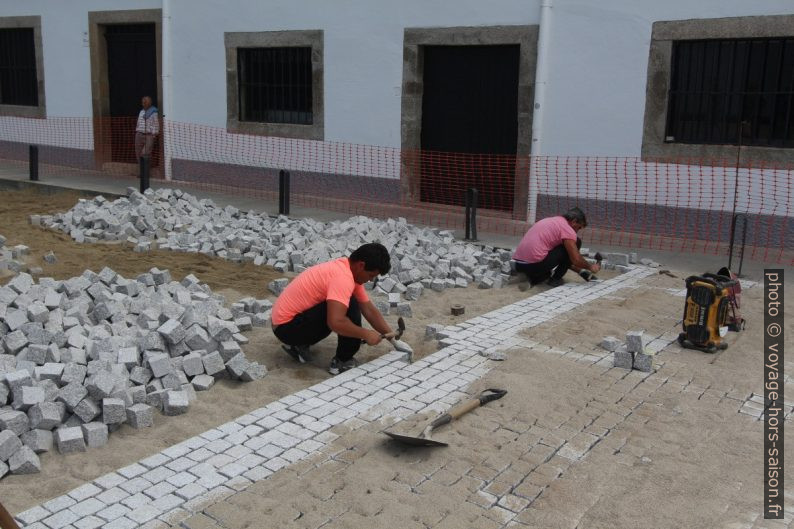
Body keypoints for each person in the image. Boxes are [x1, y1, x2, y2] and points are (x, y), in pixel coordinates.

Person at [271, 242, 394, 375]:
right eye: (371, 276)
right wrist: (366, 334)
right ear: (361, 265)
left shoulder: (347, 269)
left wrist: (393, 338)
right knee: (347, 304)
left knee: (344, 303)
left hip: (283, 324)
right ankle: (342, 361)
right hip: (287, 329)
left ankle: (298, 346)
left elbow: (368, 309)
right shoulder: (342, 278)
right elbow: (336, 322)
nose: (370, 280)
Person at [512, 207, 600, 288]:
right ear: (574, 221)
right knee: (577, 241)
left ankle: (533, 277)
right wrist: (590, 267)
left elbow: (565, 260)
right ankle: (555, 280)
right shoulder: (567, 229)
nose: (577, 231)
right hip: (534, 266)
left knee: (546, 274)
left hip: (519, 266)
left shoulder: (552, 221)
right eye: (579, 227)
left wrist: (581, 271)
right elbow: (575, 259)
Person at [134, 95, 159, 160]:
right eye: (143, 102)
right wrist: (137, 131)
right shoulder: (141, 112)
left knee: (145, 153)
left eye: (146, 102)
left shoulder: (154, 112)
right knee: (138, 153)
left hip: (149, 135)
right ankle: (141, 168)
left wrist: (154, 135)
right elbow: (138, 122)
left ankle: (146, 169)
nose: (144, 103)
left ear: (149, 103)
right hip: (139, 134)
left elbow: (156, 124)